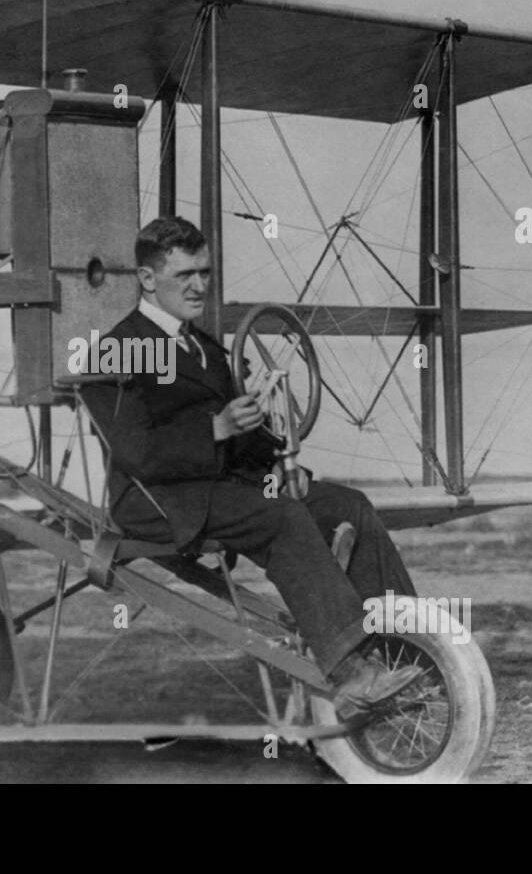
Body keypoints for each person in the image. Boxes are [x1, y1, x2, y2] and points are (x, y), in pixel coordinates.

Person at [79, 216, 421, 719]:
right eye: (185, 276)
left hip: (222, 489)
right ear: (148, 280)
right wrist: (215, 428)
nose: (199, 286)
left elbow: (244, 437)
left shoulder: (205, 347)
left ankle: (404, 649)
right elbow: (137, 454)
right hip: (157, 502)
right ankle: (350, 674)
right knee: (279, 517)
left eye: (205, 272)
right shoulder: (118, 349)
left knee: (349, 504)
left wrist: (278, 467)